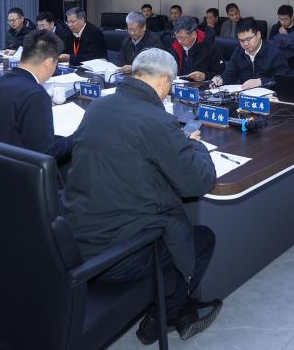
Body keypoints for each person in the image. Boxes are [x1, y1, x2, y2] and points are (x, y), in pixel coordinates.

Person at [61, 48, 221, 344]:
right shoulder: (157, 120)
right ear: (164, 81)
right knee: (201, 240)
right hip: (118, 256)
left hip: (74, 239)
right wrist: (195, 145)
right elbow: (198, 181)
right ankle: (161, 320)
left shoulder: (99, 106)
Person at [0, 30, 73, 159]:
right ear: (48, 62)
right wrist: (78, 137)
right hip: (12, 168)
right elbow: (44, 154)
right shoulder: (36, 95)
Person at [213, 18, 288, 90]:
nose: (245, 44)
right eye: (241, 40)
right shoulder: (238, 51)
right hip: (244, 94)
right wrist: (220, 79)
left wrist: (261, 82)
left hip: (269, 95)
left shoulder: (275, 53)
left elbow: (283, 80)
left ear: (258, 35)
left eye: (248, 39)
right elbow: (230, 73)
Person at [169, 16, 221, 82]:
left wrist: (205, 76)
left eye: (182, 38)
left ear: (193, 34)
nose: (179, 41)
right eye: (177, 37)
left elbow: (222, 73)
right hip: (177, 84)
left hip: (199, 86)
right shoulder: (175, 44)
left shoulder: (210, 46)